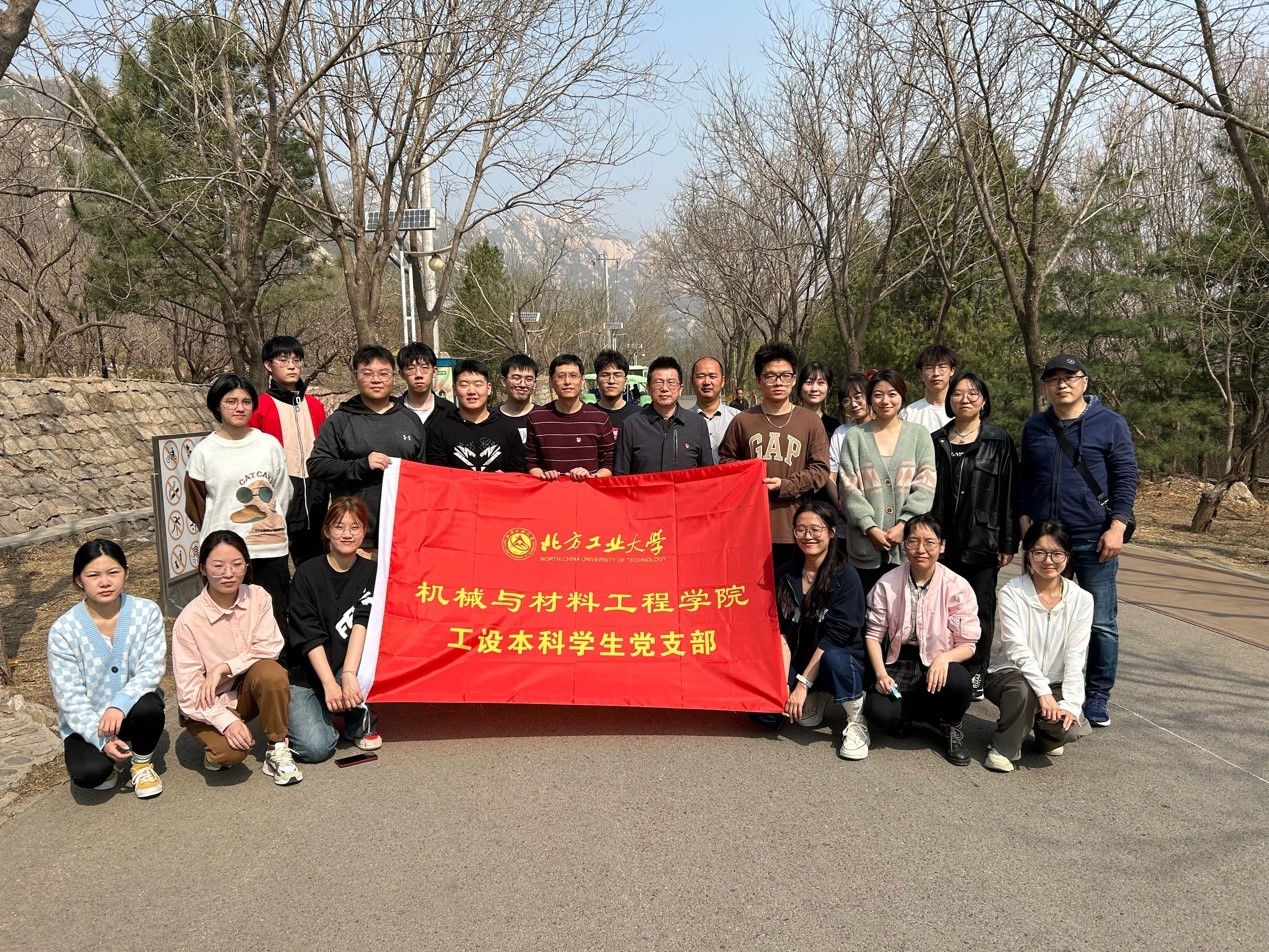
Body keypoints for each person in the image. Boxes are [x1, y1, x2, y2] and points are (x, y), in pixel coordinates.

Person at [1018, 354, 1138, 728]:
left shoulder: (1110, 423)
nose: (1062, 384)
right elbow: (1025, 478)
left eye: (1070, 377)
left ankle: (1097, 695)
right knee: (1043, 617)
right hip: (1045, 541)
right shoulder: (1035, 426)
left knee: (1100, 622)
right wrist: (1024, 520)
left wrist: (1117, 526)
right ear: (1045, 387)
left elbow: (1126, 476)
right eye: (1053, 379)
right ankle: (1043, 688)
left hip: (1093, 537)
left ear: (1084, 382)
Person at [172, 530, 303, 785]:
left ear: (247, 565)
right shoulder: (188, 621)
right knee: (229, 754)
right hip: (206, 703)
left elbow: (271, 646)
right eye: (218, 566)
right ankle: (217, 745)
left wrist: (223, 668)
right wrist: (226, 722)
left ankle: (277, 747)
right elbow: (189, 694)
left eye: (236, 564)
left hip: (244, 691)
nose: (228, 573)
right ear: (203, 569)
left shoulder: (258, 597)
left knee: (271, 673)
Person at [47, 540, 166, 798]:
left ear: (126, 573)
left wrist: (119, 705)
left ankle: (141, 764)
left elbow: (151, 669)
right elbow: (69, 697)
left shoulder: (147, 612)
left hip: (133, 711)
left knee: (149, 705)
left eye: (113, 572)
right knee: (90, 774)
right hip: (88, 719)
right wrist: (101, 738)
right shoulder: (63, 630)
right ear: (79, 580)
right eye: (93, 575)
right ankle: (107, 762)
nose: (104, 582)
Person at [863, 515, 980, 766]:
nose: (921, 549)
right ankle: (908, 715)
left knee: (959, 682)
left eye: (929, 542)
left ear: (942, 545)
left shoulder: (957, 586)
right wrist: (881, 674)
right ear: (904, 544)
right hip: (899, 660)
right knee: (878, 712)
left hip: (939, 660)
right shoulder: (888, 582)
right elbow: (873, 635)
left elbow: (968, 644)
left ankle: (950, 725)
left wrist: (945, 658)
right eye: (913, 541)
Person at [931, 371, 1019, 701]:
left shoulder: (998, 440)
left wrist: (1008, 541)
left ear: (983, 400)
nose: (964, 399)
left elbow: (1009, 493)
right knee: (943, 606)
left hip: (983, 538)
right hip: (943, 540)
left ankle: (977, 671)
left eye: (973, 393)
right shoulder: (936, 440)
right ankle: (943, 666)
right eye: (957, 393)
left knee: (980, 608)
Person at [185, 372, 293, 635]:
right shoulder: (204, 451)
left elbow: (282, 493)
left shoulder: (268, 445)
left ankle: (277, 662)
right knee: (228, 620)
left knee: (273, 618)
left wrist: (267, 523)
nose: (239, 408)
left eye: (246, 401)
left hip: (268, 548)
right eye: (231, 401)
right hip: (225, 552)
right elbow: (196, 505)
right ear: (217, 406)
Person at [984, 520, 1093, 772]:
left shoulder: (1082, 599)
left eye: (1057, 553)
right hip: (1011, 674)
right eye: (1039, 552)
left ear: (1067, 556)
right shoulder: (1012, 592)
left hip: (1056, 681)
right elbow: (1016, 647)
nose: (1048, 560)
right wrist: (1043, 692)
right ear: (1028, 554)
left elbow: (1076, 655)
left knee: (1071, 727)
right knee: (1024, 691)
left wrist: (1071, 703)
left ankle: (1047, 735)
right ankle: (1002, 748)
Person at [772, 501, 871, 761]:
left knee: (834, 658)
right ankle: (819, 695)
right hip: (800, 659)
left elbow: (834, 638)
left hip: (835, 658)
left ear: (831, 532)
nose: (808, 536)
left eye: (816, 529)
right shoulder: (785, 574)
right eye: (801, 529)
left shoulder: (846, 577)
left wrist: (802, 685)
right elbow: (780, 632)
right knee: (767, 716)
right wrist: (783, 684)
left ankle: (856, 719)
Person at [718, 342, 830, 568]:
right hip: (751, 525)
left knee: (791, 585)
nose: (778, 382)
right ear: (758, 380)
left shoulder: (810, 421)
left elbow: (820, 470)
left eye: (785, 376)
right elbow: (726, 462)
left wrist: (785, 486)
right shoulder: (743, 421)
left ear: (794, 379)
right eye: (770, 376)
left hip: (796, 527)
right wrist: (750, 479)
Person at [287, 497, 382, 763]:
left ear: (364, 531)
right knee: (315, 749)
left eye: (355, 527)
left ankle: (356, 720)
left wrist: (349, 674)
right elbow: (309, 635)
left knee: (368, 662)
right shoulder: (306, 573)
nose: (347, 534)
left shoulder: (373, 572)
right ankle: (319, 712)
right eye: (339, 526)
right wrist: (329, 684)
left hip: (347, 665)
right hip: (308, 673)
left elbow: (362, 621)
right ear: (327, 531)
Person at [308, 345, 427, 550]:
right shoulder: (340, 420)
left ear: (394, 377)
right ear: (356, 376)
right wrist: (361, 465)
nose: (376, 380)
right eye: (368, 373)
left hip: (402, 535)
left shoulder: (410, 420)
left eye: (383, 373)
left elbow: (421, 476)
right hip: (356, 537)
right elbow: (316, 465)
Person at [839, 369, 937, 594]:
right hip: (865, 545)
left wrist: (903, 525)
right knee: (865, 608)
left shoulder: (919, 435)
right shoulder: (856, 437)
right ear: (870, 399)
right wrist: (870, 527)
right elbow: (848, 487)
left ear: (902, 397)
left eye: (892, 394)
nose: (885, 401)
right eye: (878, 395)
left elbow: (926, 483)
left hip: (907, 546)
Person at [247, 335, 329, 567]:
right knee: (277, 559)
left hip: (315, 488)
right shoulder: (260, 407)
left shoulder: (315, 405)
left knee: (316, 558)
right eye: (283, 360)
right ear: (268, 365)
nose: (292, 366)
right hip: (279, 490)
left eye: (296, 360)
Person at [613, 356, 714, 474]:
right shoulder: (631, 425)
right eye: (658, 382)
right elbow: (621, 475)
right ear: (648, 388)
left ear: (680, 389)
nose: (665, 388)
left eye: (671, 383)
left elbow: (707, 473)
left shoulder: (697, 424)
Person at [525, 353, 616, 481]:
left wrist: (591, 477)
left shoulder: (600, 419)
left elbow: (609, 462)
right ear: (551, 381)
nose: (567, 382)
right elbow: (531, 461)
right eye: (561, 376)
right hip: (550, 490)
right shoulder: (536, 418)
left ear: (582, 381)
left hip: (588, 490)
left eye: (573, 376)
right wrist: (543, 476)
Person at [427, 358, 528, 473]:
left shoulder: (507, 429)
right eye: (464, 385)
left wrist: (505, 479)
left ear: (488, 388)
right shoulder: (440, 430)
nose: (471, 391)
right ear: (454, 389)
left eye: (478, 384)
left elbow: (519, 474)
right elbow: (436, 475)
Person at [826, 373, 871, 534]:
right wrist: (839, 505)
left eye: (858, 397)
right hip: (848, 515)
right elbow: (831, 476)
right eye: (846, 400)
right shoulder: (840, 433)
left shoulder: (884, 429)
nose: (853, 404)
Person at [397, 342, 458, 436]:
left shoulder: (450, 411)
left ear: (434, 371)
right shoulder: (393, 410)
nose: (418, 375)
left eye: (424, 368)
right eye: (411, 369)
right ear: (401, 374)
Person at [689, 356, 739, 460]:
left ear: (723, 381)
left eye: (712, 376)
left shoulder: (737, 419)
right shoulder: (682, 421)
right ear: (692, 381)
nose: (707, 382)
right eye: (700, 376)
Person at [900, 344, 957, 433]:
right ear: (920, 373)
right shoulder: (908, 414)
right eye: (929, 368)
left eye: (942, 367)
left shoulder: (962, 410)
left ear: (952, 370)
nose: (936, 373)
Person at [593, 349, 641, 435]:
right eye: (605, 375)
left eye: (617, 375)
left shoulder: (640, 416)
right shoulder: (587, 416)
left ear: (626, 381)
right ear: (597, 381)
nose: (611, 381)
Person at [498, 353, 539, 443]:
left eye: (529, 379)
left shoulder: (543, 417)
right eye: (516, 378)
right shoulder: (491, 419)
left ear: (535, 384)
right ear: (503, 381)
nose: (522, 385)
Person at [797, 361, 840, 438]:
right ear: (800, 387)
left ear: (829, 388)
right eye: (809, 382)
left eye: (820, 383)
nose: (814, 389)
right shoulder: (788, 420)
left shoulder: (834, 427)